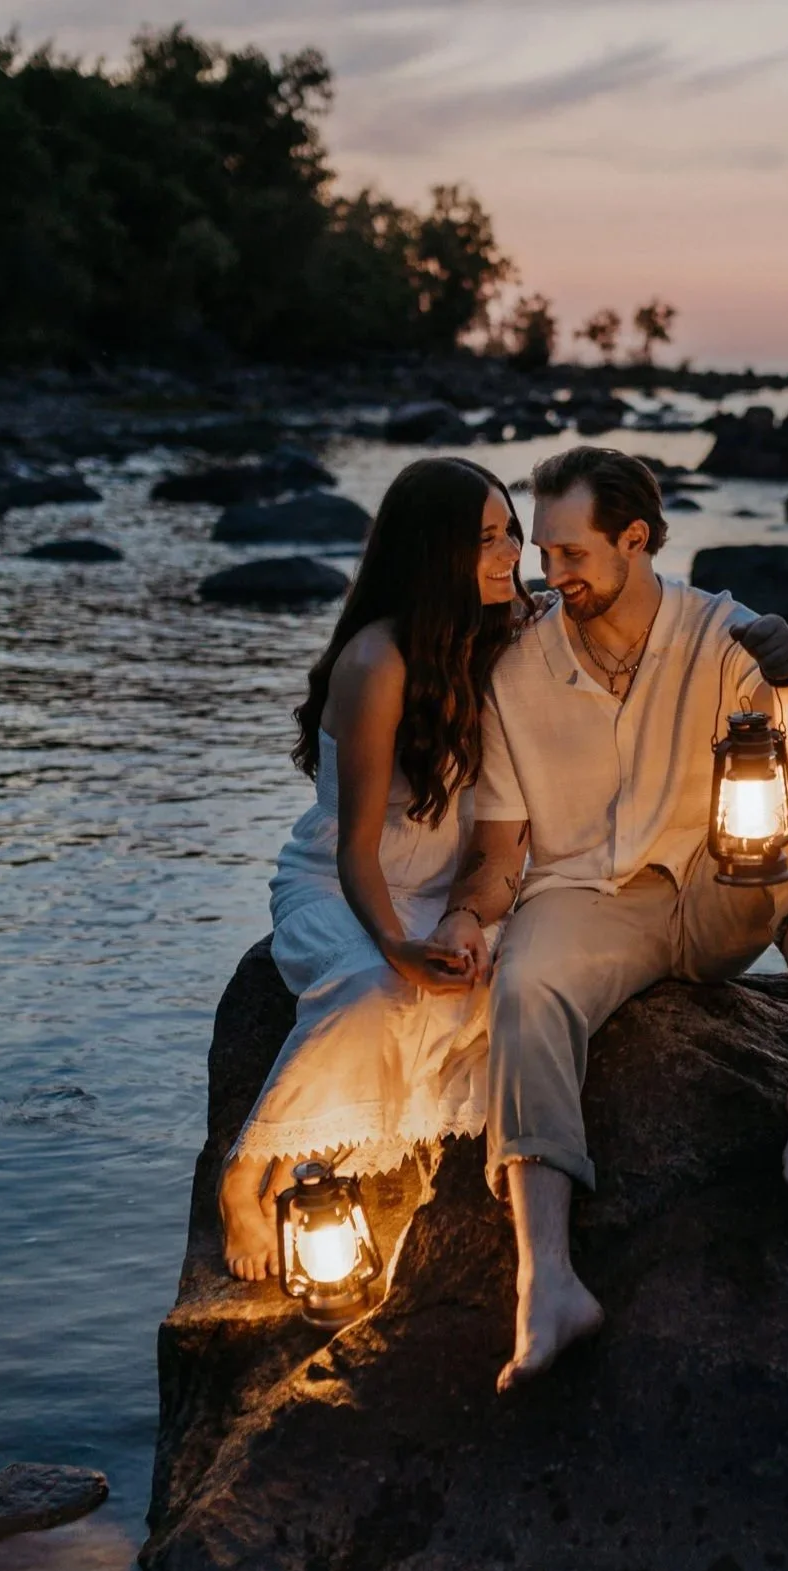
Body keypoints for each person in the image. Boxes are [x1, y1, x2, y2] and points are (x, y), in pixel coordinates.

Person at [433, 446, 788, 1391]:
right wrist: (467, 913)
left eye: (573, 554)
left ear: (636, 540)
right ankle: (547, 1282)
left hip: (717, 892)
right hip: (587, 905)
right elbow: (502, 849)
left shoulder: (724, 632)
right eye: (544, 553)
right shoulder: (520, 669)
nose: (552, 576)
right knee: (526, 985)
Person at [219, 456, 530, 1281]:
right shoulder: (376, 663)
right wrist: (393, 945)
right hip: (339, 882)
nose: (510, 554)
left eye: (511, 533)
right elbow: (356, 847)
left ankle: (318, 1159)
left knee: (497, 986)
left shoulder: (497, 635)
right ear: (433, 556)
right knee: (375, 992)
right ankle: (248, 1173)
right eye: (486, 541)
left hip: (445, 887)